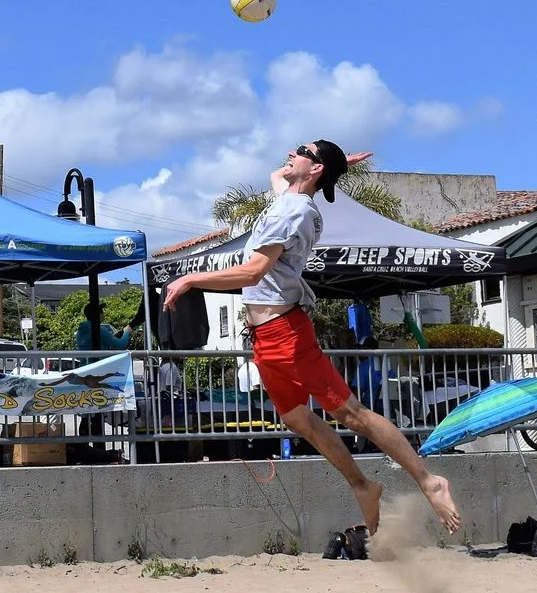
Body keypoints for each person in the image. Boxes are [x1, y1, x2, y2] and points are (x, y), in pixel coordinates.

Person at [161, 140, 462, 542]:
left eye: (302, 150)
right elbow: (277, 175)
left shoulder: (294, 211)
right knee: (296, 418)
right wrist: (336, 164)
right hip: (265, 337)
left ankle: (429, 481)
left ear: (315, 169)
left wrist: (191, 278)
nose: (291, 153)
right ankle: (362, 485)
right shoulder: (287, 198)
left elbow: (253, 272)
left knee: (351, 414)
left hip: (286, 332)